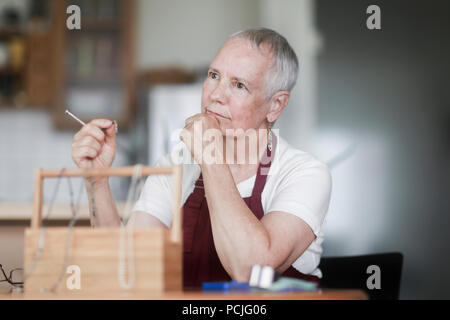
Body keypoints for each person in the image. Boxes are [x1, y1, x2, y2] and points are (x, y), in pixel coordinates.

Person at [71, 28, 332, 288]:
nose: (215, 95)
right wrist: (96, 181)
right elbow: (128, 268)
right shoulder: (175, 166)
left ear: (275, 105)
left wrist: (211, 158)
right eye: (213, 75)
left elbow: (252, 271)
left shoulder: (304, 173)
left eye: (239, 85)